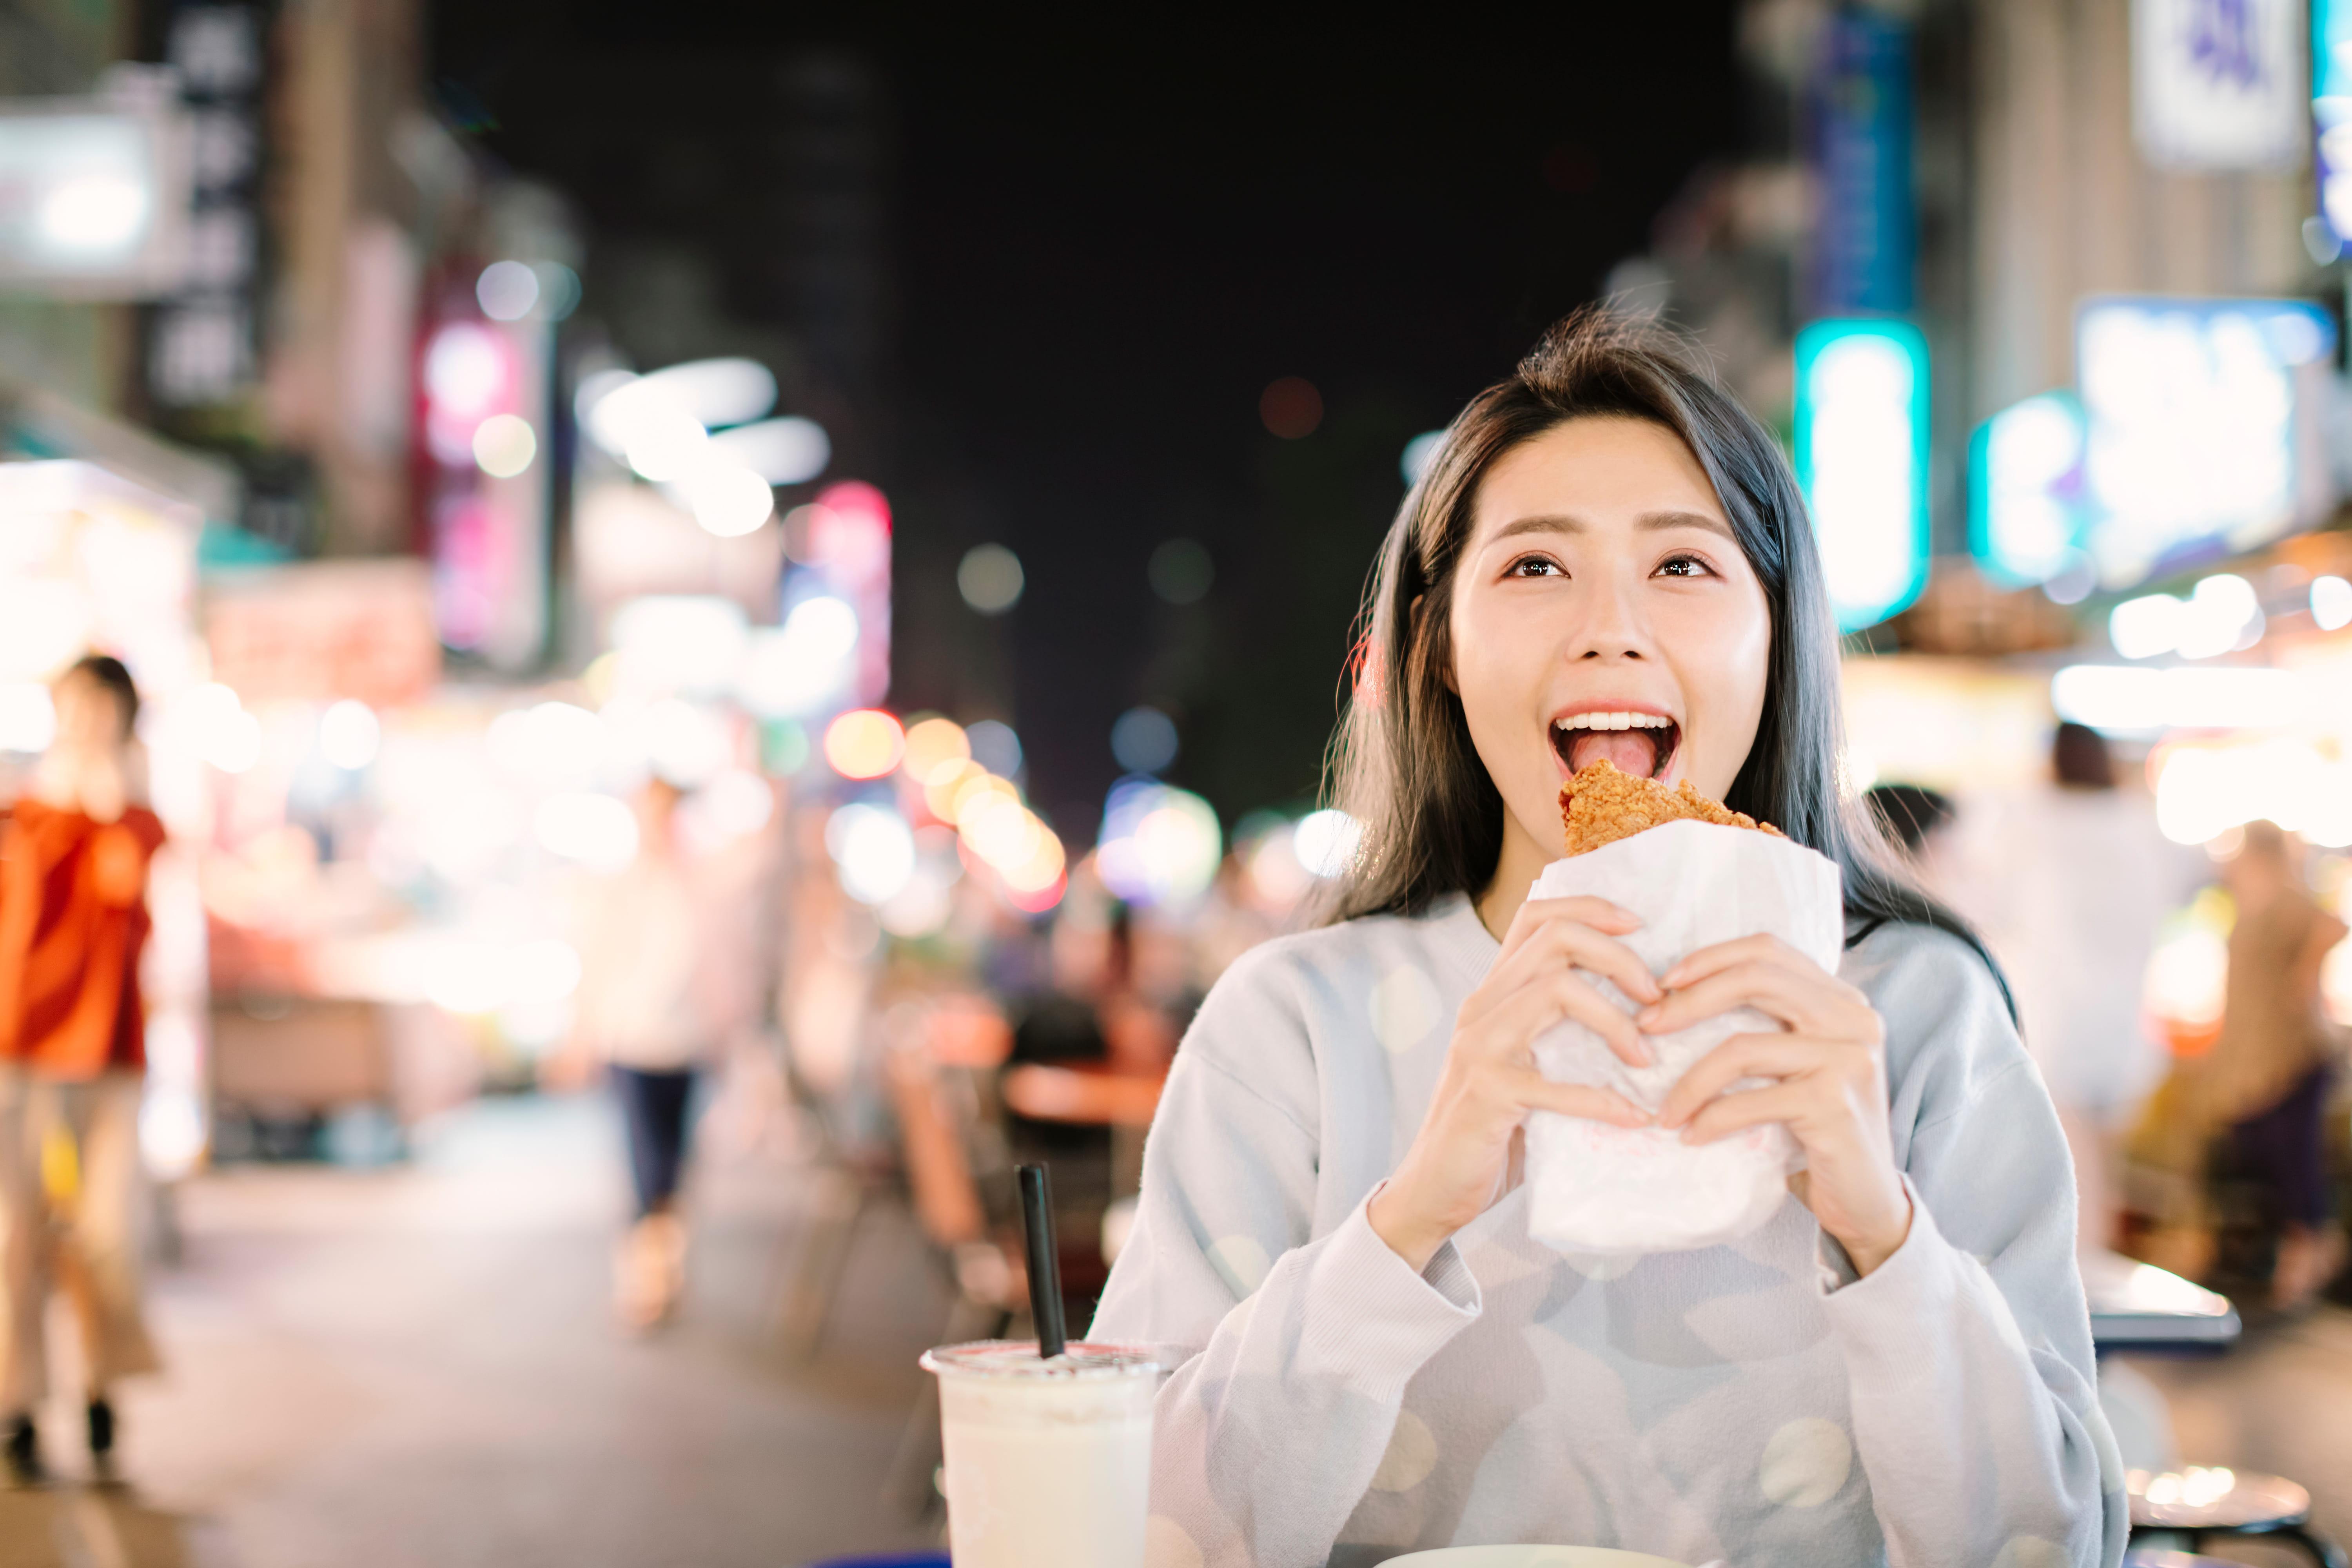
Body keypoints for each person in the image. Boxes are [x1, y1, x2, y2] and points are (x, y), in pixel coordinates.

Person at [1091, 313, 2117, 1566]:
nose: (1609, 629)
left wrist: (1879, 1225)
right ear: (1437, 651)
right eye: (1533, 567)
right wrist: (1408, 1215)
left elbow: (2056, 1546)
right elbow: (1125, 1528)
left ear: (1774, 633)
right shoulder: (1290, 1024)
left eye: (1683, 566)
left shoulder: (1919, 1013)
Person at [0, 655, 167, 1485]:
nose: (88, 719)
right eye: (77, 704)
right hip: (22, 1051)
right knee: (15, 1234)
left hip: (109, 1055)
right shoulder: (22, 811)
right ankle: (17, 1402)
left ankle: (102, 1384)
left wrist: (105, 800)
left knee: (107, 1233)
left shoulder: (132, 818)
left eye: (105, 706)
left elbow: (125, 891)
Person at [571, 777, 725, 1332]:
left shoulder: (698, 886)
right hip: (631, 1040)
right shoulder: (619, 887)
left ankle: (664, 1266)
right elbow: (597, 963)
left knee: (675, 1165)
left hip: (686, 1044)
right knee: (644, 1163)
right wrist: (581, 1035)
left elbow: (719, 967)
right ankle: (645, 1280)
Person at [2204, 820, 2346, 1312]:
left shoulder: (2288, 898)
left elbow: (2333, 926)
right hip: (2254, 1051)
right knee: (2260, 1148)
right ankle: (2292, 1251)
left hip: (2288, 1050)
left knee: (2294, 1157)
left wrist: (2305, 977)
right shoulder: (2252, 897)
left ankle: (2308, 1253)